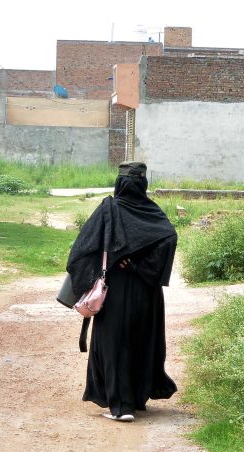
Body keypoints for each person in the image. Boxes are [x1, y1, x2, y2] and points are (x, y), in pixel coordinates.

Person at [66, 161, 178, 422]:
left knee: (114, 345)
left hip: (115, 293)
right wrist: (142, 266)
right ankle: (137, 399)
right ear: (143, 184)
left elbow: (82, 250)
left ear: (119, 183)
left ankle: (121, 406)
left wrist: (91, 276)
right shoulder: (154, 213)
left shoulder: (109, 209)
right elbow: (169, 238)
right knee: (142, 342)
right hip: (147, 296)